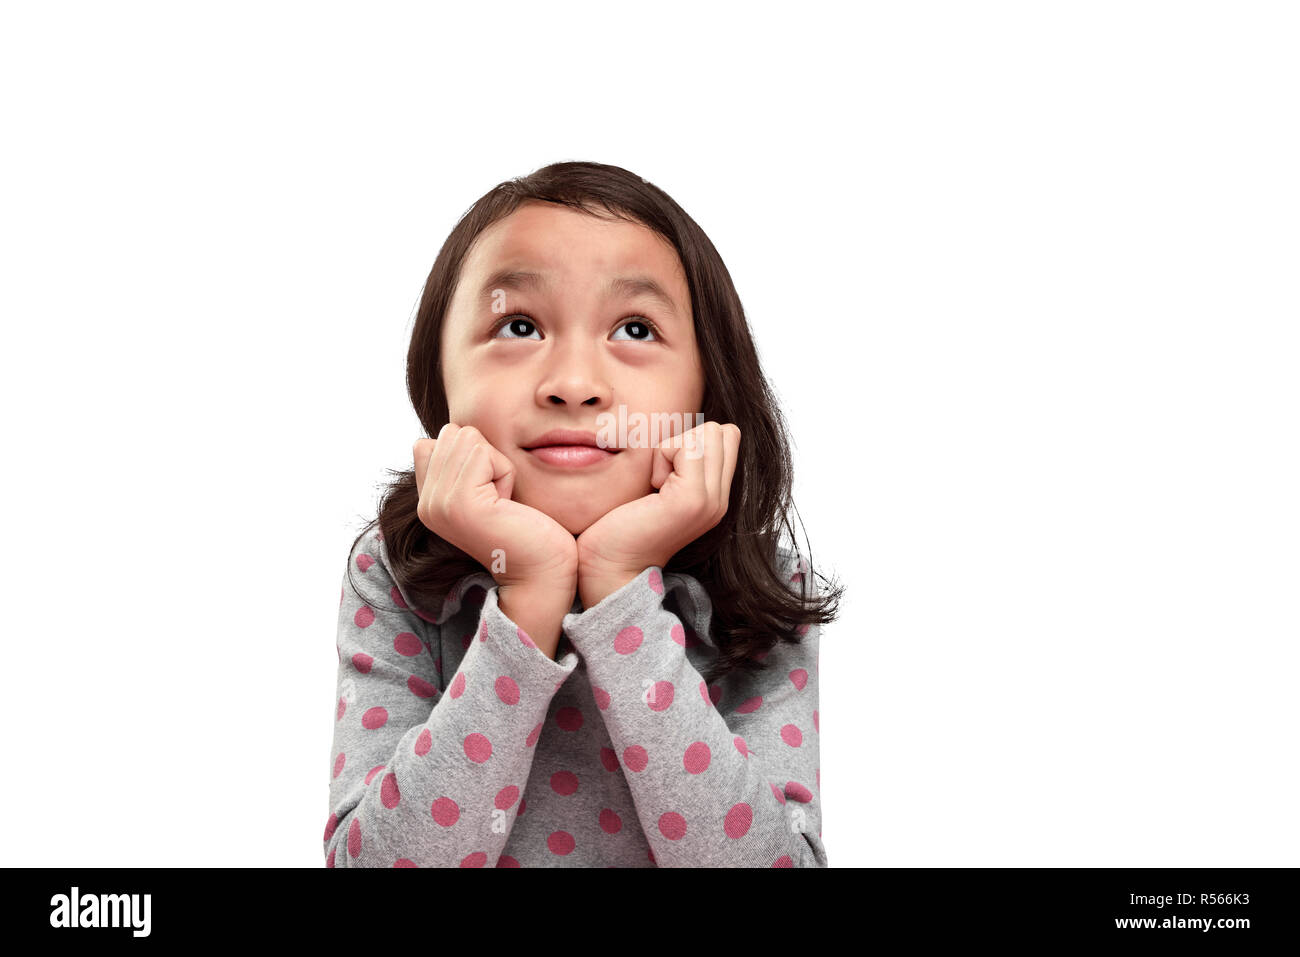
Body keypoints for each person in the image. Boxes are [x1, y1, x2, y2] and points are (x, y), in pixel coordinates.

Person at [324, 161, 842, 867]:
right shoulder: (393, 574)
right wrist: (528, 597)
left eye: (633, 328)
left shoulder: (767, 589)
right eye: (519, 323)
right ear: (438, 380)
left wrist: (622, 589)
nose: (573, 385)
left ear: (708, 386)